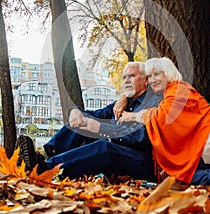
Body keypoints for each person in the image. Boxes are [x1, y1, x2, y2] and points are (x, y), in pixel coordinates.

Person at [16, 62, 162, 181]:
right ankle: (48, 155)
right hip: (120, 154)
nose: (126, 81)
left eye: (132, 76)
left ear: (146, 80)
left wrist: (101, 128)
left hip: (143, 160)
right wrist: (76, 112)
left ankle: (45, 170)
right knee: (82, 122)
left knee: (104, 147)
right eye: (124, 77)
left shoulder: (155, 103)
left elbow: (142, 137)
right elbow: (94, 115)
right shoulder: (121, 104)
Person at [117, 57, 210, 187]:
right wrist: (123, 97)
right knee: (174, 175)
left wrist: (131, 116)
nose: (153, 79)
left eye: (157, 74)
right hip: (204, 141)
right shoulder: (172, 90)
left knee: (177, 175)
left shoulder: (178, 90)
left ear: (168, 73)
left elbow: (162, 117)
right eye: (149, 76)